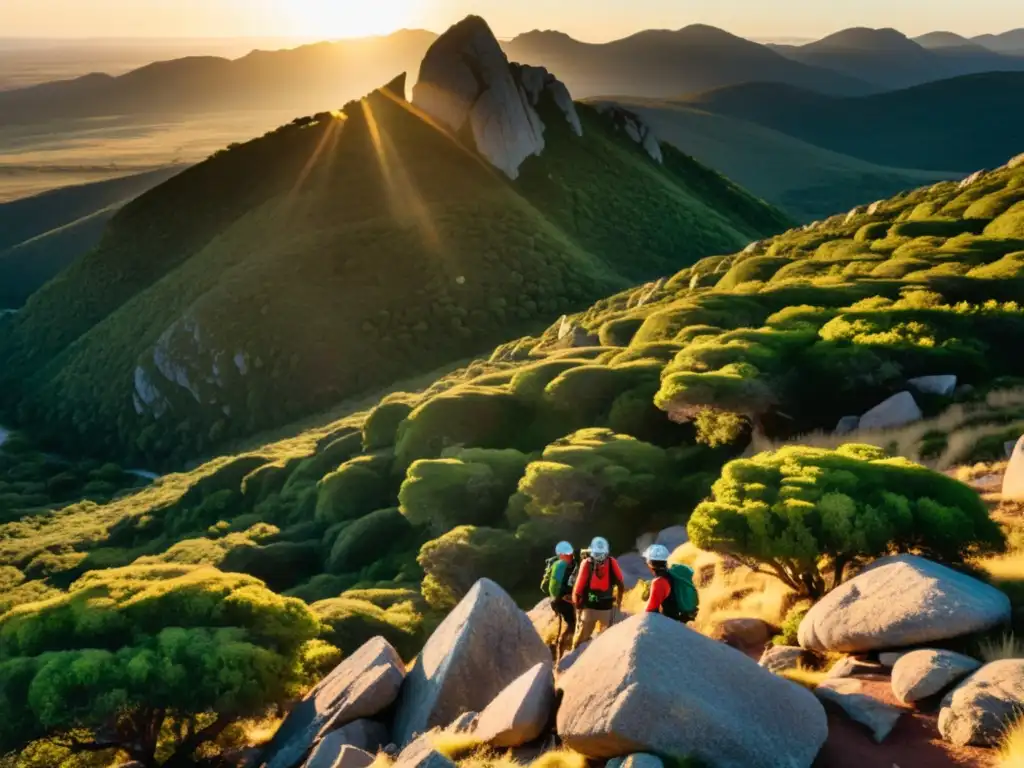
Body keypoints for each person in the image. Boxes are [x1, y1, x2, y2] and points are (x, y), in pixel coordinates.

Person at [572, 536, 624, 649]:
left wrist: (578, 606)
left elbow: (578, 589)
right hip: (606, 607)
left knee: (581, 638)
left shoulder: (586, 563)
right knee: (607, 636)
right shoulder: (611, 562)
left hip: (589, 607)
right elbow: (620, 583)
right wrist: (619, 603)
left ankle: (573, 659)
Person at [643, 543, 698, 623]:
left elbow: (650, 610)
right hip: (682, 621)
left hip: (672, 625)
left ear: (650, 564)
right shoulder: (673, 574)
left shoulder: (659, 582)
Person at [541, 540, 577, 660]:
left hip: (554, 600)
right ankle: (562, 651)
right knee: (572, 623)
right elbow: (570, 585)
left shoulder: (554, 564)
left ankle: (556, 647)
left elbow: (543, 587)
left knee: (564, 623)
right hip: (562, 599)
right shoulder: (568, 566)